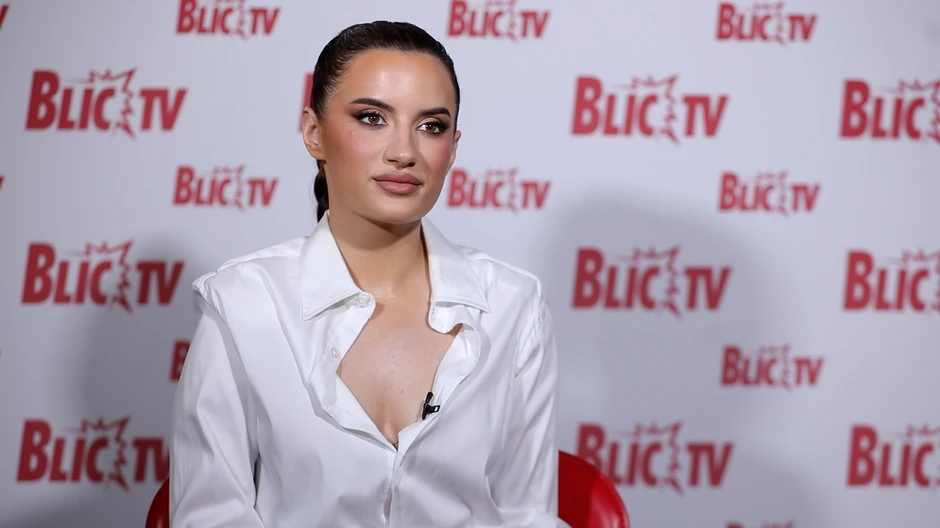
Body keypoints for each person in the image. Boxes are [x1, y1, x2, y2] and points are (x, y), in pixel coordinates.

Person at [169, 20, 563, 528]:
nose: (404, 152)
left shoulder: (513, 305)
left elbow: (528, 514)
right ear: (313, 132)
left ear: (454, 147)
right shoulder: (243, 304)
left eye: (431, 126)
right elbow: (209, 517)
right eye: (372, 118)